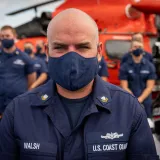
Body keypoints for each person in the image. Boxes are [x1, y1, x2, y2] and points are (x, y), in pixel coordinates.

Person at [0, 9, 158, 160]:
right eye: (60, 47)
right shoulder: (17, 112)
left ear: (98, 52)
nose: (72, 57)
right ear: (47, 52)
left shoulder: (129, 110)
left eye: (82, 47)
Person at [0, 25, 36, 119]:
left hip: (17, 104)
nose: (4, 38)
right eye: (2, 36)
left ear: (14, 37)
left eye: (7, 36)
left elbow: (32, 78)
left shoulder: (24, 57)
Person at [119, 47, 156, 118]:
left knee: (147, 122)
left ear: (142, 53)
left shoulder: (150, 66)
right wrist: (134, 99)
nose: (137, 58)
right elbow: (124, 86)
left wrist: (140, 99)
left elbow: (150, 86)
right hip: (129, 100)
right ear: (131, 53)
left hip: (145, 100)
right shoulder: (125, 67)